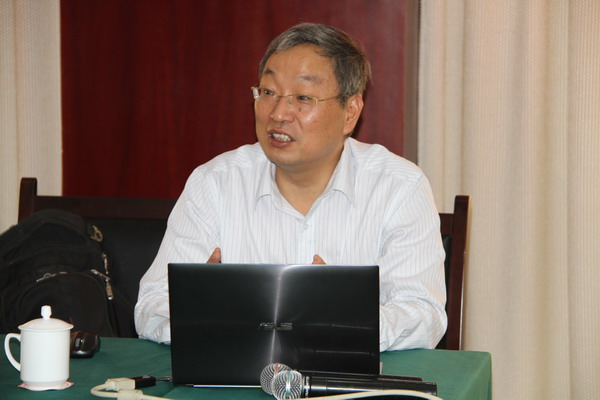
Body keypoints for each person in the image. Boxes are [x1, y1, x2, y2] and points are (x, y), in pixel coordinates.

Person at [134, 23, 447, 351]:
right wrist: (204, 313)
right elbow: (152, 305)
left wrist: (345, 319)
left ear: (350, 112)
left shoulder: (398, 187)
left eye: (302, 98)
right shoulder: (214, 183)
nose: (278, 113)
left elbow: (423, 314)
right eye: (268, 93)